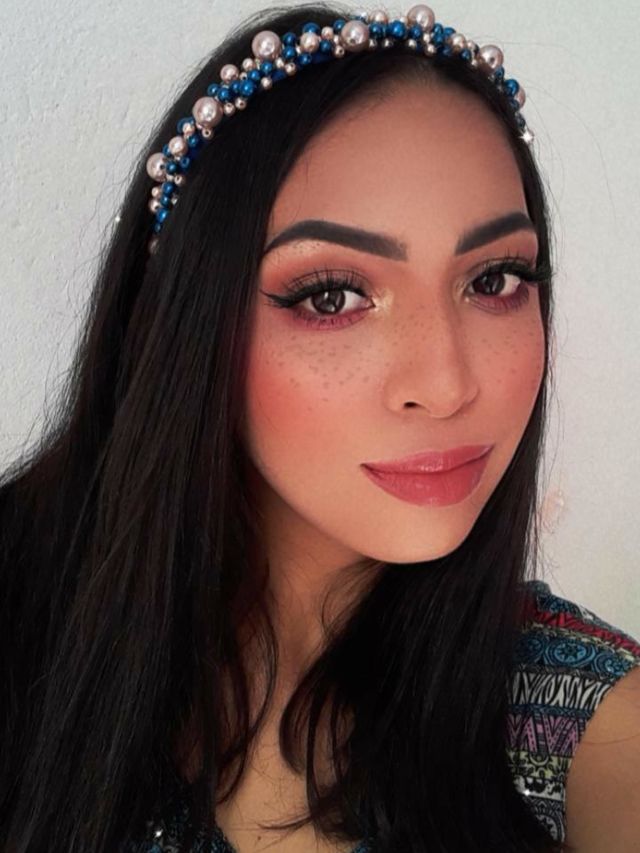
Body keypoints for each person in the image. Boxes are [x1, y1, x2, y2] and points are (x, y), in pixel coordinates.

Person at [1, 4, 639, 852]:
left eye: (494, 280)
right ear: (192, 323)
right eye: (332, 295)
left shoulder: (573, 708)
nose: (446, 384)